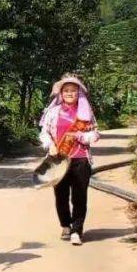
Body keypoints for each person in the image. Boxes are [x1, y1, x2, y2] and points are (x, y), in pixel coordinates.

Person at [38, 74, 101, 246]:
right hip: (59, 160)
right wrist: (50, 145)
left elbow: (95, 134)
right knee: (61, 195)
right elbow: (44, 133)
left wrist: (81, 136)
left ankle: (76, 230)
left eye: (73, 91)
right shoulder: (53, 112)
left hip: (80, 160)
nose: (69, 93)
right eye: (66, 90)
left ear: (78, 93)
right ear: (61, 93)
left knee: (80, 196)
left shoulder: (86, 115)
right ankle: (66, 225)